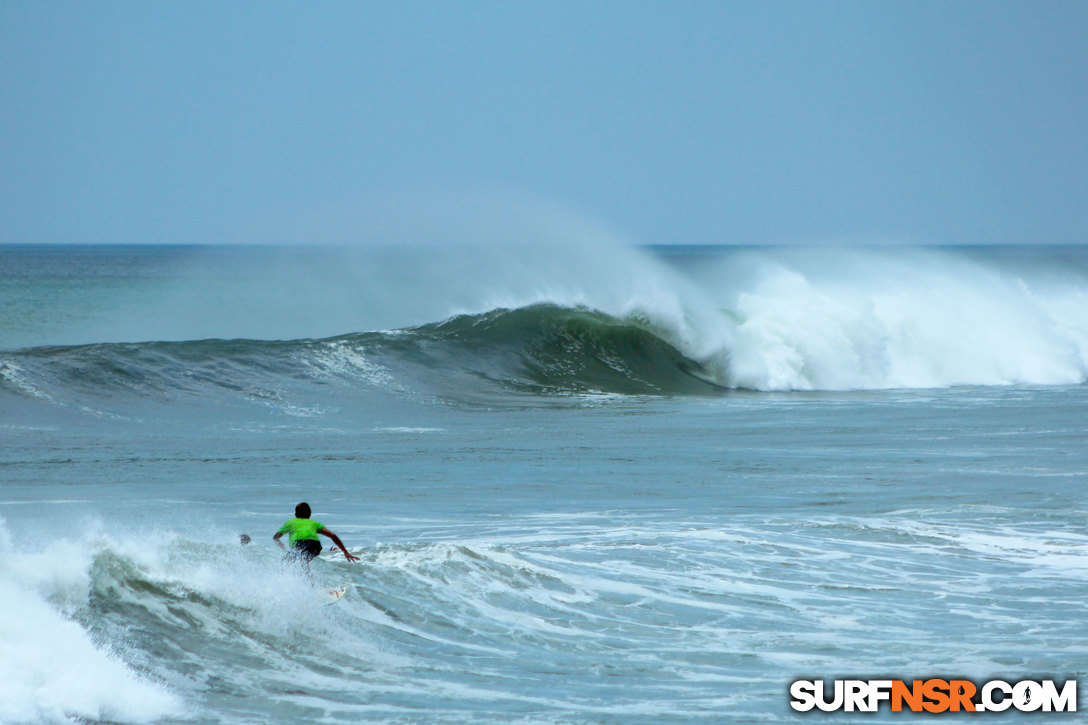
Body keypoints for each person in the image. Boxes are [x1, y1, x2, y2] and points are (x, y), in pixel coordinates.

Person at [273, 502, 360, 564]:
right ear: (310, 514)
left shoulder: (290, 522)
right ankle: (311, 585)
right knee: (303, 564)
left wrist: (284, 549)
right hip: (315, 545)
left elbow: (275, 537)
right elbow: (333, 536)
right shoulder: (314, 524)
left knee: (285, 563)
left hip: (300, 544)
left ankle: (310, 586)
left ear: (295, 514)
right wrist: (345, 552)